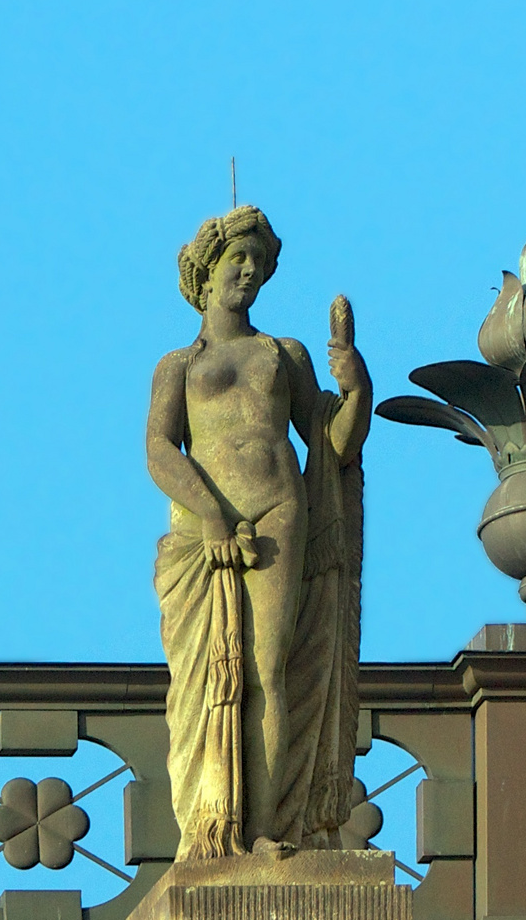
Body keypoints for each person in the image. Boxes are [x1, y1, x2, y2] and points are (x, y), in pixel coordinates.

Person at [145, 204, 371, 858]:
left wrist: (355, 389)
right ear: (206, 272)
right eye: (235, 260)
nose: (247, 272)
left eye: (258, 263)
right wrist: (210, 516)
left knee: (267, 671)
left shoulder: (283, 353)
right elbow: (160, 450)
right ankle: (218, 825)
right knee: (218, 677)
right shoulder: (176, 366)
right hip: (206, 530)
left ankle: (271, 831)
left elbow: (329, 445)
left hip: (278, 509)